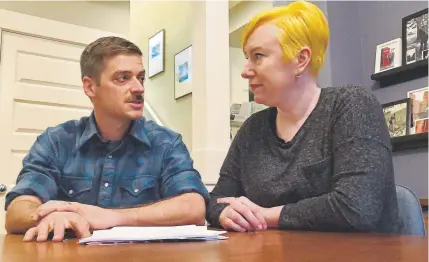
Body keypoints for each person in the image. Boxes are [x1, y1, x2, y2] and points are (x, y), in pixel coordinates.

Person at [206, 1, 400, 234]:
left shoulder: (352, 105)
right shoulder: (252, 130)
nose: (245, 70)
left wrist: (264, 216)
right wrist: (225, 213)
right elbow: (215, 200)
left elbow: (356, 207)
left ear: (301, 60)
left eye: (258, 56)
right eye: (247, 57)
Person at [5, 36, 210, 242]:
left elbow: (193, 206)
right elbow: (18, 210)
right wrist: (51, 216)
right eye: (123, 78)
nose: (139, 88)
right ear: (90, 87)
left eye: (141, 77)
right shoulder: (56, 141)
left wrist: (110, 217)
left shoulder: (166, 143)